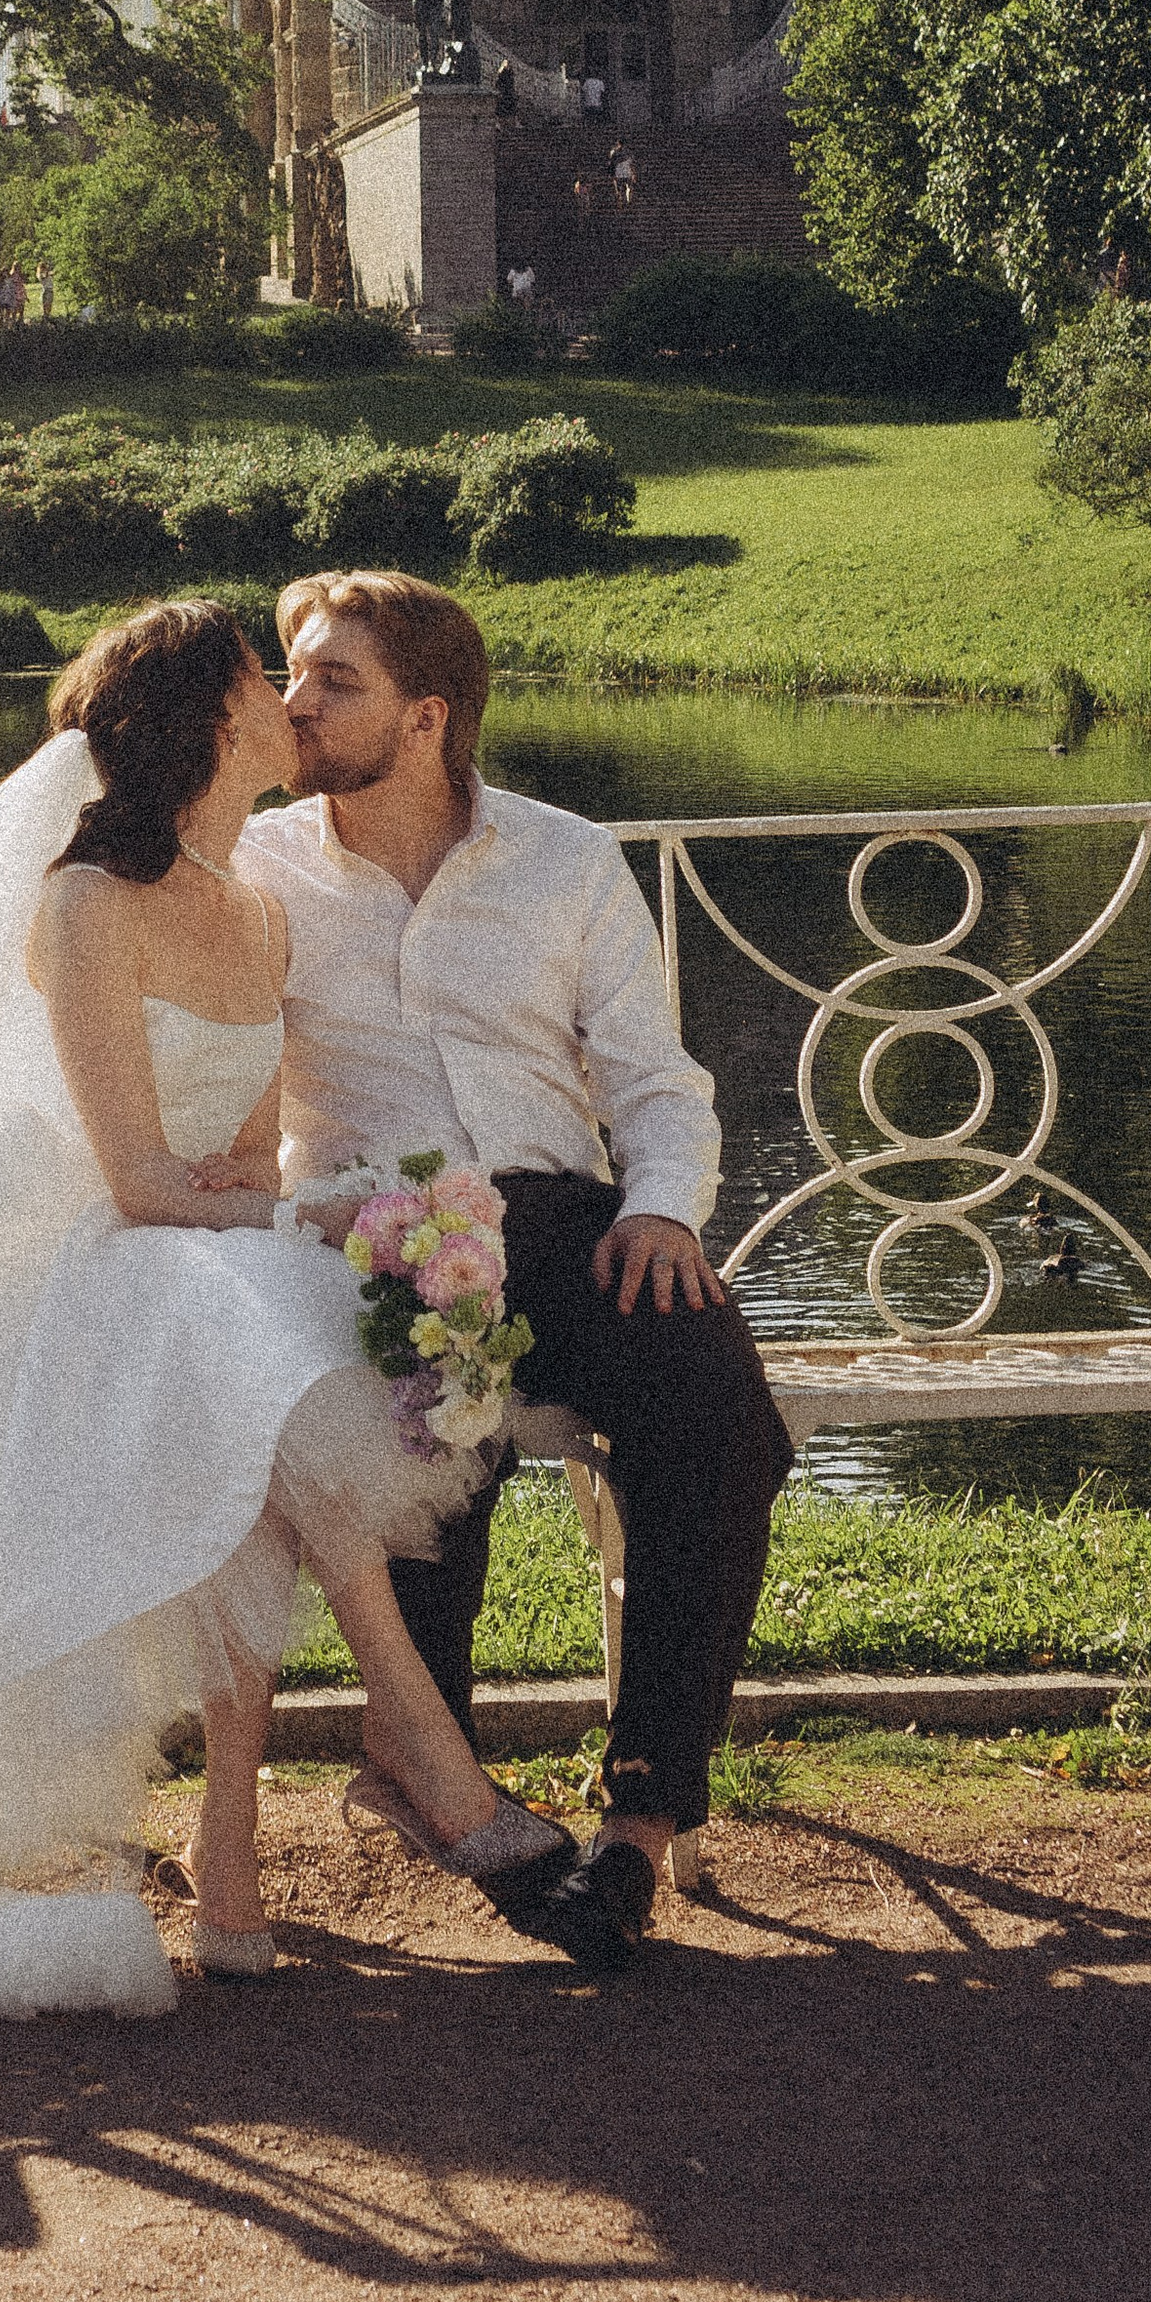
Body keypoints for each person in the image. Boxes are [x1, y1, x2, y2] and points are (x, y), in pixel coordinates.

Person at [0, 601, 584, 2017]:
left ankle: (242, 1850)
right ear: (214, 726)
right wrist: (295, 1216)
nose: (293, 704)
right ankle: (422, 1755)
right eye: (265, 683)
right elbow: (138, 1182)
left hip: (194, 1261)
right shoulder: (86, 903)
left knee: (258, 1355)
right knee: (253, 1349)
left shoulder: (261, 911)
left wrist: (286, 1203)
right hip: (67, 1270)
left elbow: (247, 1154)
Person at [235, 572, 794, 1965]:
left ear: (427, 717)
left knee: (721, 1420)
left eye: (334, 681)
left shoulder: (566, 858)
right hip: (376, 1240)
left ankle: (642, 1817)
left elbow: (655, 1081)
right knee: (432, 1425)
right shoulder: (257, 871)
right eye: (294, 672)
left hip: (565, 1225)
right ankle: (439, 1776)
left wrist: (662, 1213)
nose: (294, 704)